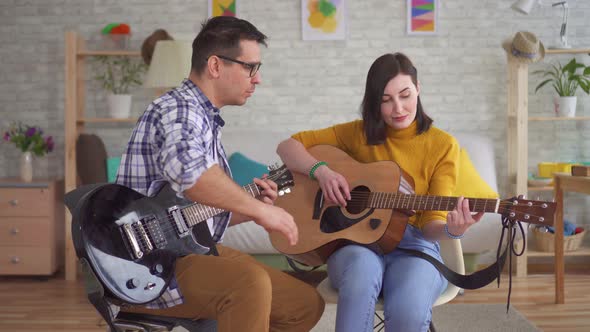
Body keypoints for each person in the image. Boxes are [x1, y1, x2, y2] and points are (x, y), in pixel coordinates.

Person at [116, 16, 324, 332]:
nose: (257, 79)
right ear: (215, 66)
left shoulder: (206, 119)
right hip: (151, 264)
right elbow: (192, 177)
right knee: (249, 283)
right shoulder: (179, 110)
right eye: (250, 67)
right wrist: (261, 212)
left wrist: (252, 211)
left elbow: (192, 217)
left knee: (303, 305)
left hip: (189, 249)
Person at [276, 52, 484, 332]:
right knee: (362, 273)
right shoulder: (357, 134)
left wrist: (453, 230)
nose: (398, 108)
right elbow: (287, 147)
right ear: (374, 101)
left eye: (405, 95)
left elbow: (433, 224)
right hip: (355, 244)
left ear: (419, 89)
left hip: (415, 247)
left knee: (408, 314)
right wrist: (321, 172)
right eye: (386, 100)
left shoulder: (443, 145)